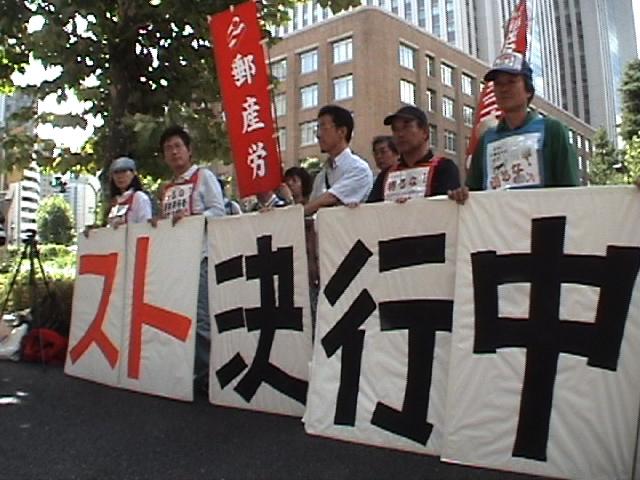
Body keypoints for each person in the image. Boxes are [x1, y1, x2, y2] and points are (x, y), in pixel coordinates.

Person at [448, 53, 579, 204]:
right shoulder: (486, 140)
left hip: (542, 217)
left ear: (528, 90)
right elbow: (474, 194)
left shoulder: (552, 130)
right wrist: (461, 195)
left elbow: (572, 191)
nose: (504, 89)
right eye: (498, 84)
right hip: (496, 218)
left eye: (511, 82)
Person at [159, 125, 226, 392]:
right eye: (168, 149)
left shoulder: (204, 176)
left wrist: (193, 219)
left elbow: (219, 211)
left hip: (201, 257)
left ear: (189, 151)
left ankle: (208, 376)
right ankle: (189, 371)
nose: (174, 152)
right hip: (176, 261)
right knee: (179, 315)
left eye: (178, 146)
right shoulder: (168, 188)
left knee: (201, 318)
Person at [367, 106, 460, 203]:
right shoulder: (385, 175)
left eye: (406, 127)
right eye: (395, 129)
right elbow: (371, 209)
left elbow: (447, 206)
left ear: (425, 132)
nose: (400, 134)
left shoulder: (443, 168)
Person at [305, 105, 373, 216]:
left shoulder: (359, 169)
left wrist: (297, 214)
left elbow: (330, 198)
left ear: (342, 131)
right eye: (317, 128)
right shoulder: (321, 176)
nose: (318, 135)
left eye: (323, 128)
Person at [106, 156, 153, 227]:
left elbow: (145, 225)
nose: (120, 176)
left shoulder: (139, 197)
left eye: (124, 171)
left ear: (133, 174)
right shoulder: (114, 202)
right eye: (116, 172)